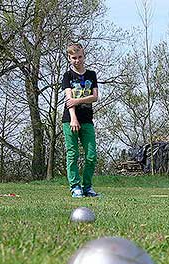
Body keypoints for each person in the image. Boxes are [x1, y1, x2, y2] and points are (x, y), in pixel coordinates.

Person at [61, 43, 99, 198]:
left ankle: (87, 187)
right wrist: (73, 119)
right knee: (73, 154)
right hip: (70, 120)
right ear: (70, 59)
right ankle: (75, 186)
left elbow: (95, 97)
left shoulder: (91, 74)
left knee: (91, 155)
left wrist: (77, 101)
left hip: (87, 119)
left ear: (84, 56)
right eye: (74, 58)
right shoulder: (67, 76)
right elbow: (69, 100)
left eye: (80, 57)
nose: (77, 60)